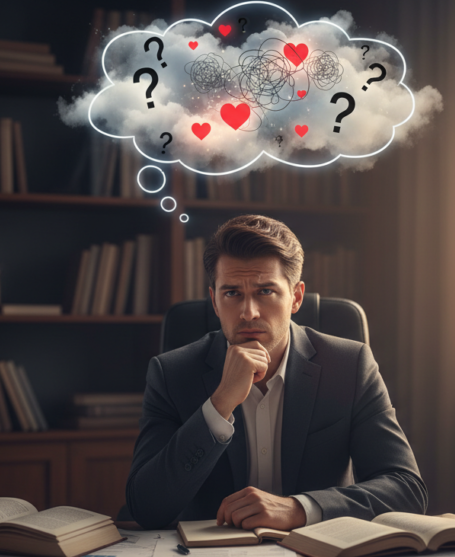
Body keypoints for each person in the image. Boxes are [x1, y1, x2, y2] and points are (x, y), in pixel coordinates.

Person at [125, 215, 427, 530]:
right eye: (232, 293)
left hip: (319, 555)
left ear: (295, 297)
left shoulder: (350, 366)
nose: (248, 312)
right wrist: (219, 405)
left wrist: (300, 508)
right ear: (214, 301)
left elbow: (406, 489)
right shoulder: (171, 373)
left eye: (265, 291)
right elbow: (145, 507)